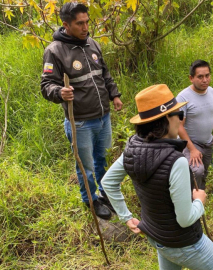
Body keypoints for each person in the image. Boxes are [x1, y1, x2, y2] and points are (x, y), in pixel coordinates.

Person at [101, 84, 213, 270]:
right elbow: (185, 219)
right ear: (165, 120)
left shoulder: (132, 148)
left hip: (157, 238)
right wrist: (200, 201)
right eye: (178, 115)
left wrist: (126, 217)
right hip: (186, 244)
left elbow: (108, 182)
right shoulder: (175, 161)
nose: (181, 120)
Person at [41, 2, 122, 220]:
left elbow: (104, 74)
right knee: (85, 165)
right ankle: (91, 200)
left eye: (87, 22)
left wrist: (114, 95)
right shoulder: (54, 51)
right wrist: (59, 92)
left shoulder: (92, 44)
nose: (85, 27)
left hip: (103, 116)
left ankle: (105, 194)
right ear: (66, 25)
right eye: (80, 24)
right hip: (80, 122)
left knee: (103, 159)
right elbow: (46, 85)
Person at [176, 60, 213, 190]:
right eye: (200, 77)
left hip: (207, 143)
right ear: (191, 78)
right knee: (196, 171)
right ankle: (190, 201)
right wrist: (192, 149)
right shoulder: (183, 97)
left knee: (204, 172)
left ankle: (200, 199)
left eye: (207, 76)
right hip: (190, 143)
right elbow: (179, 126)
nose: (205, 80)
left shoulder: (211, 91)